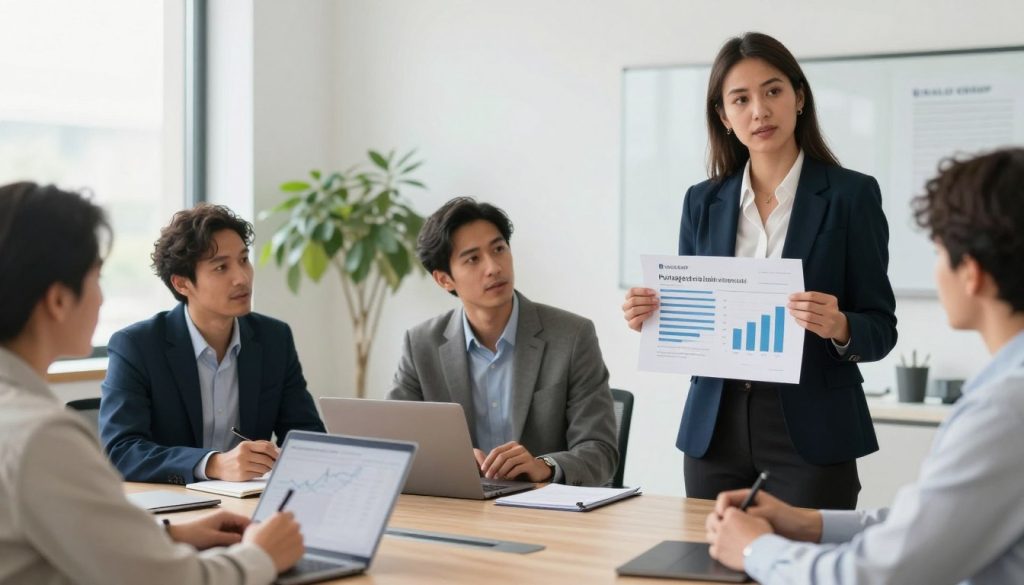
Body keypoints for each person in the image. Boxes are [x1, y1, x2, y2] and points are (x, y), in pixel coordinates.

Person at [705, 148, 1024, 584]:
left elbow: (879, 573)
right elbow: (929, 524)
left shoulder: (1005, 408)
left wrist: (754, 549)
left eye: (936, 253)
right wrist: (809, 525)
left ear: (970, 273)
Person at [621, 32, 897, 509]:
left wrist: (840, 325)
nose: (759, 111)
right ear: (724, 117)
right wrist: (651, 314)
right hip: (715, 428)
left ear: (800, 97)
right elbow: (694, 315)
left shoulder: (851, 196)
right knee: (714, 572)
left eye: (773, 91)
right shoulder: (701, 202)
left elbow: (881, 327)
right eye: (741, 99)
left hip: (814, 429)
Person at [0, 182, 303, 585]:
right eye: (97, 277)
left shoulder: (17, 418)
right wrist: (261, 556)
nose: (103, 298)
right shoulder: (42, 436)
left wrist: (167, 534)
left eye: (243, 261)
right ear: (58, 301)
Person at [388, 197, 618, 486]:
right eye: (473, 258)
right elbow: (394, 444)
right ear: (444, 279)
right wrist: (449, 460)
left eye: (499, 249)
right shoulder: (421, 345)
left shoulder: (572, 336)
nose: (494, 267)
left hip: (545, 513)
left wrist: (543, 466)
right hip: (461, 510)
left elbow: (601, 452)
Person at [100, 204, 325, 484]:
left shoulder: (273, 338)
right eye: (221, 267)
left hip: (250, 501)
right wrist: (213, 464)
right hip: (175, 505)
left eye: (244, 260)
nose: (242, 278)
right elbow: (121, 452)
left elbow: (308, 435)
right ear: (182, 284)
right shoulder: (136, 346)